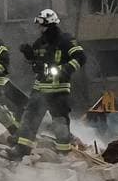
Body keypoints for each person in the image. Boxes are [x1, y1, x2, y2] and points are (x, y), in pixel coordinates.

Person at [11, 9, 84, 158]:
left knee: (59, 122)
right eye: (39, 26)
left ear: (51, 25)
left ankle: (63, 154)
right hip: (40, 89)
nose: (40, 29)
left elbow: (80, 57)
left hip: (58, 89)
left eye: (42, 26)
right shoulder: (40, 42)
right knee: (29, 119)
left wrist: (64, 69)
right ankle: (21, 151)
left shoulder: (65, 40)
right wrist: (29, 55)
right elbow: (38, 63)